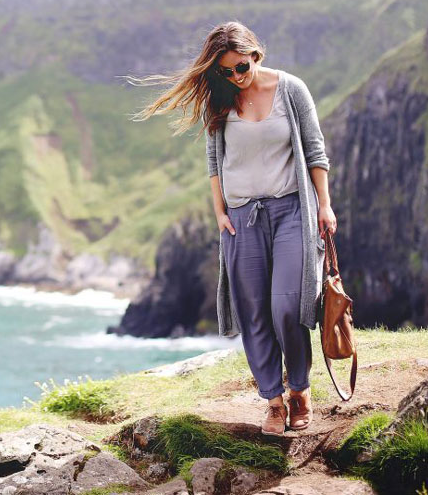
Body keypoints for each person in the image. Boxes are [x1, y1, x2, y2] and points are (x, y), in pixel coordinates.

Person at [126, 21, 336, 436]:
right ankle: (274, 402)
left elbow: (315, 150)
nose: (235, 77)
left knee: (288, 307)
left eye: (240, 67)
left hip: (293, 209)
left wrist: (324, 205)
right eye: (225, 71)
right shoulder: (220, 100)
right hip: (241, 218)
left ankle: (299, 390)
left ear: (256, 54)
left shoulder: (292, 90)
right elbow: (214, 162)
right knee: (254, 312)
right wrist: (220, 213)